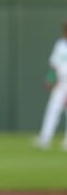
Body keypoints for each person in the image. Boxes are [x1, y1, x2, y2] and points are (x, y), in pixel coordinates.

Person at [35, 21, 67, 150]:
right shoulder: (60, 45)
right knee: (53, 109)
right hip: (60, 82)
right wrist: (50, 79)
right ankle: (45, 138)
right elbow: (54, 65)